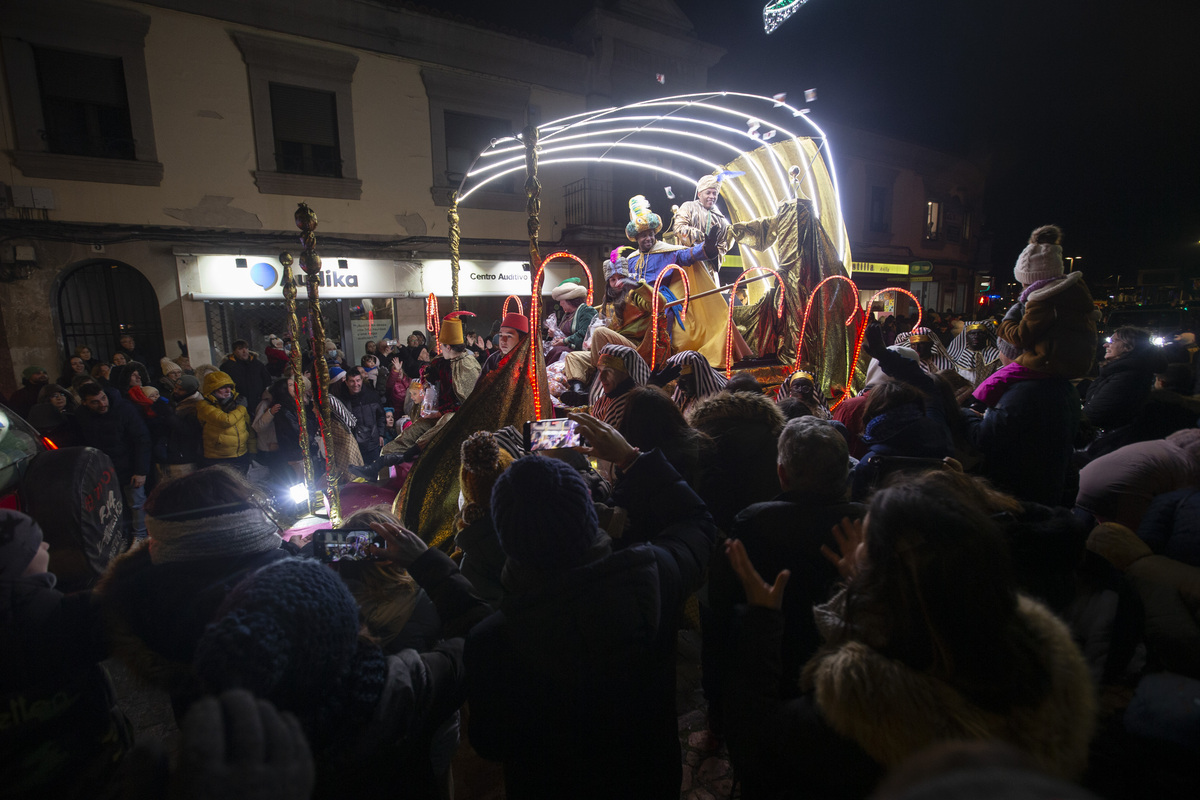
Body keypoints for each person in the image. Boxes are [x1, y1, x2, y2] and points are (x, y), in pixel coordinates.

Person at [723, 474, 1096, 799]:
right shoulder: (1039, 656)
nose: (859, 547)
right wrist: (871, 589)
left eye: (867, 539)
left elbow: (753, 747)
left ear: (890, 574)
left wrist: (763, 621)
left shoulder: (859, 706)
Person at [464, 411, 718, 798]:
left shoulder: (492, 641)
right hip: (645, 778)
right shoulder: (652, 576)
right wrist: (632, 458)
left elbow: (492, 743)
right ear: (588, 511)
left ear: (504, 535)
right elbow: (698, 523)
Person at [194, 520, 489, 799]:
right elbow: (479, 637)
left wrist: (303, 553)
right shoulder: (401, 687)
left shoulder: (237, 729)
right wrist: (427, 562)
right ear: (349, 626)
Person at [704, 417, 865, 735]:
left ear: (782, 474)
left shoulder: (755, 521)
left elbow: (726, 599)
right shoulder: (863, 523)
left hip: (772, 650)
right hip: (843, 659)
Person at [0, 510, 132, 799]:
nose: (46, 546)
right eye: (37, 543)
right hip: (95, 758)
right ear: (16, 562)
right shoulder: (63, 614)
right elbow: (128, 619)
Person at [354, 312, 481, 477]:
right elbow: (426, 371)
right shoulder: (444, 361)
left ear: (448, 347)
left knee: (443, 422)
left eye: (442, 346)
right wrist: (428, 381)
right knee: (409, 433)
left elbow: (469, 403)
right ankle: (377, 467)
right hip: (437, 414)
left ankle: (409, 454)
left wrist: (440, 412)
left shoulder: (468, 365)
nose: (440, 349)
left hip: (457, 419)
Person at [996, 225, 1100, 380]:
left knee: (990, 386)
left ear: (1032, 280)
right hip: (1074, 363)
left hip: (1049, 364)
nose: (1022, 286)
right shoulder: (1070, 292)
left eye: (1023, 282)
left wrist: (1006, 322)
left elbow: (1020, 337)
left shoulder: (1044, 300)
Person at [75, 381, 151, 539]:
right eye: (95, 402)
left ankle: (140, 536)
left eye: (103, 398)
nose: (102, 404)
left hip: (129, 466)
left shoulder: (124, 409)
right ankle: (121, 537)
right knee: (111, 506)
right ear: (85, 402)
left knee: (137, 503)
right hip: (104, 470)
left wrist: (140, 471)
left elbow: (141, 439)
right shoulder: (82, 415)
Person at [1082, 326, 1168, 432]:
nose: (1105, 345)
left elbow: (1096, 414)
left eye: (1112, 341)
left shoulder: (1127, 377)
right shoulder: (1117, 371)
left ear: (1128, 346)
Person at [671, 173, 731, 275]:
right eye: (708, 193)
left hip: (709, 271)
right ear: (699, 194)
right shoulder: (688, 207)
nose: (711, 196)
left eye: (714, 193)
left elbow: (722, 246)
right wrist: (701, 238)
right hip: (688, 265)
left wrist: (712, 252)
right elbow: (679, 228)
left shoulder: (721, 219)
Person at [196, 371, 255, 473]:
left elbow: (248, 427)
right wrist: (241, 407)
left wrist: (252, 450)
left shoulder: (237, 401)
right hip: (217, 458)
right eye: (222, 387)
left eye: (230, 387)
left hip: (241, 455)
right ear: (212, 389)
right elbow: (226, 421)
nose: (228, 390)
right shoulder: (204, 406)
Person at [333, 366, 385, 465]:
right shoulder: (342, 400)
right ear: (347, 382)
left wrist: (381, 434)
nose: (356, 384)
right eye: (352, 381)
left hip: (373, 441)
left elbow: (381, 416)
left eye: (358, 380)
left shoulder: (372, 396)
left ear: (361, 380)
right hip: (354, 445)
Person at [544, 277, 597, 365]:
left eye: (561, 300)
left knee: (557, 351)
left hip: (577, 353)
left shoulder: (586, 311)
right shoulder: (567, 315)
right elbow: (561, 335)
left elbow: (584, 334)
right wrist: (553, 334)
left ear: (569, 300)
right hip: (565, 351)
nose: (560, 304)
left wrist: (564, 341)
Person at [665, 349, 728, 416]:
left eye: (684, 381)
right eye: (677, 382)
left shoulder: (716, 404)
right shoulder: (683, 397)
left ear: (698, 378)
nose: (680, 387)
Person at [220, 339, 272, 415]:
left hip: (257, 400)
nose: (244, 351)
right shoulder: (227, 367)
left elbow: (267, 380)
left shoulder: (257, 364)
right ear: (234, 351)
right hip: (238, 403)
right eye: (240, 349)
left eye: (246, 348)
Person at [478, 312, 529, 384]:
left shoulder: (530, 361)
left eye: (509, 336)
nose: (503, 341)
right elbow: (479, 387)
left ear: (522, 339)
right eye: (501, 335)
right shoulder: (493, 359)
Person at [947, 321, 1002, 385]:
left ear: (987, 336)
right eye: (972, 333)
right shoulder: (959, 355)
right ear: (966, 336)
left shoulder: (995, 355)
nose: (976, 336)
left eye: (980, 333)